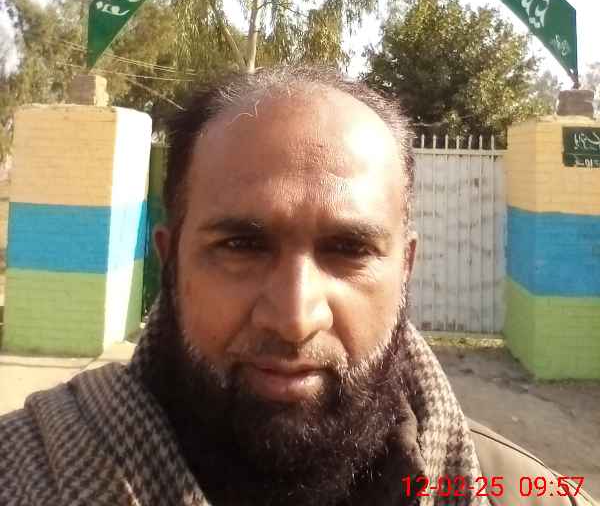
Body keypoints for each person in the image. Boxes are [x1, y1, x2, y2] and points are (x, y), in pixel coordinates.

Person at [0, 66, 596, 506]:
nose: (294, 317)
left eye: (349, 250)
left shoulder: (529, 493)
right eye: (241, 246)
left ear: (405, 269)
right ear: (170, 261)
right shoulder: (25, 474)